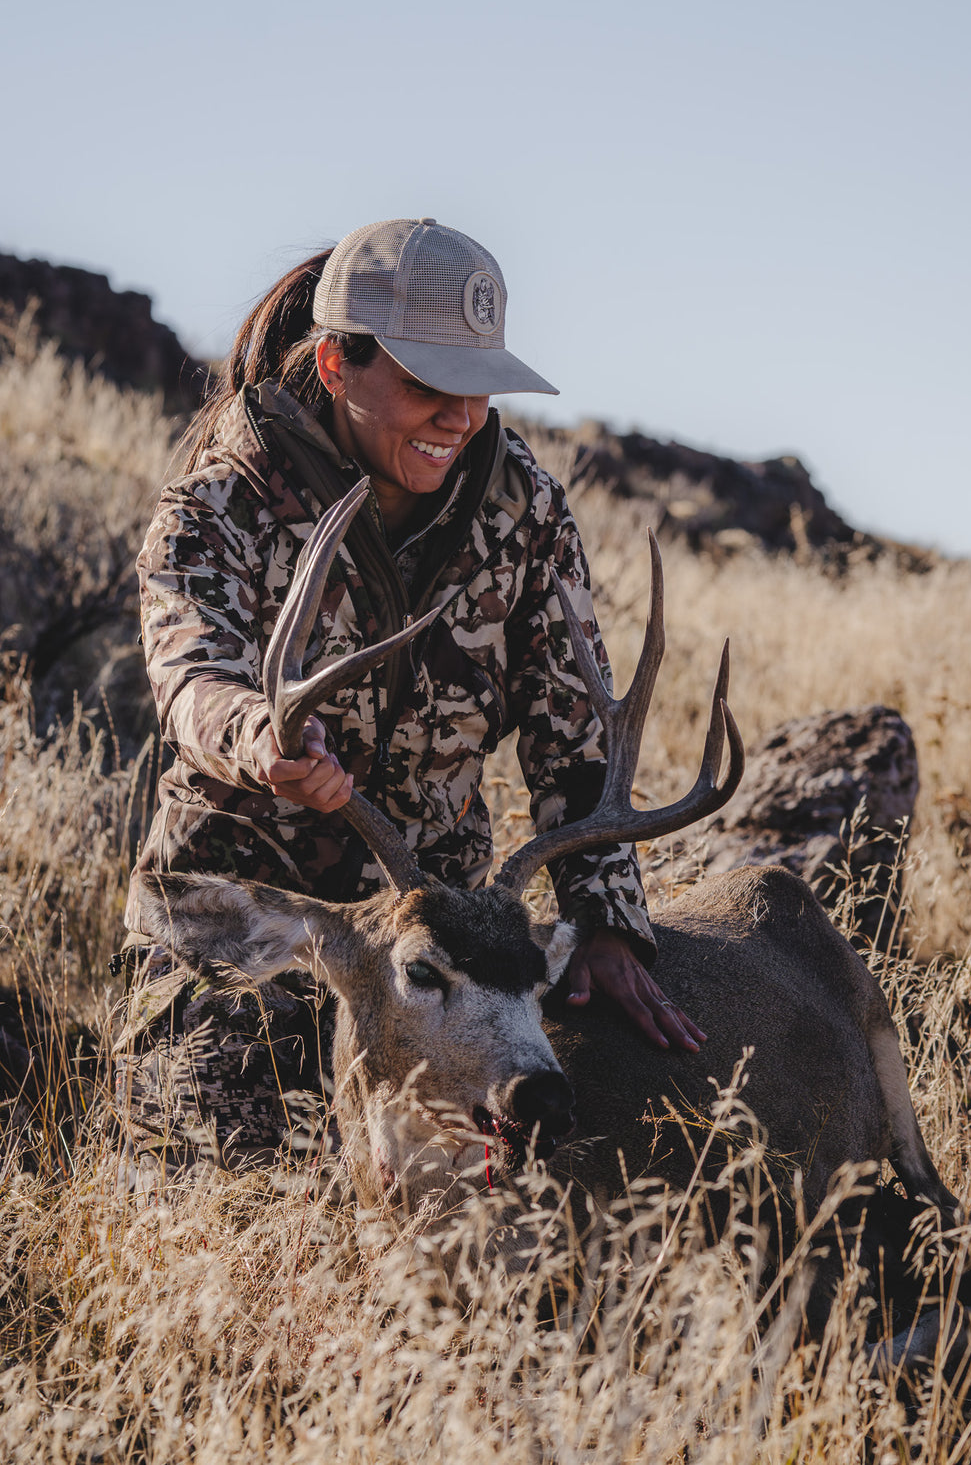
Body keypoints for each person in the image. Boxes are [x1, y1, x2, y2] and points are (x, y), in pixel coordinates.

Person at [115, 217, 703, 1177]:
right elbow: (189, 673)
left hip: (446, 947)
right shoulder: (219, 505)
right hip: (244, 922)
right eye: (429, 387)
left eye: (479, 390)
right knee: (238, 1196)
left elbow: (576, 732)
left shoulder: (526, 514)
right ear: (340, 366)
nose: (460, 420)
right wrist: (257, 737)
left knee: (546, 1181)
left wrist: (600, 919)